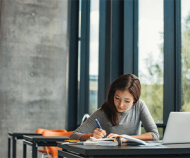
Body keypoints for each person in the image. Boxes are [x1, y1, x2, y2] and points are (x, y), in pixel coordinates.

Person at [70, 74, 159, 142]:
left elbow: (154, 135)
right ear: (113, 95)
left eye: (127, 101)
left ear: (135, 100)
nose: (120, 105)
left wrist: (125, 138)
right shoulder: (104, 111)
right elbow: (73, 136)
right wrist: (92, 135)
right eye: (117, 98)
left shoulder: (139, 106)